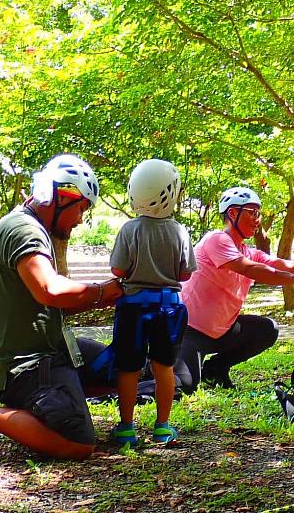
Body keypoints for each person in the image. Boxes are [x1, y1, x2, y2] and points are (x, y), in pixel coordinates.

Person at [0, 154, 124, 462]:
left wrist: (108, 295)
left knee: (123, 368)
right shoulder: (24, 230)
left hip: (50, 352)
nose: (80, 218)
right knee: (77, 443)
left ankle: (46, 406)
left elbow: (51, 304)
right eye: (80, 207)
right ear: (59, 198)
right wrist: (103, 291)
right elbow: (49, 289)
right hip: (23, 364)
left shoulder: (31, 226)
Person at [176, 187, 294, 392]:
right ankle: (151, 364)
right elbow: (249, 269)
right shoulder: (217, 239)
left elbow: (286, 265)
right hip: (189, 331)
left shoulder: (248, 251)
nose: (257, 220)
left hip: (222, 333)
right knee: (185, 387)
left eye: (258, 214)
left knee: (267, 329)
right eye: (253, 213)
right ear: (232, 213)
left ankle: (215, 369)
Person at [108, 159, 196, 446]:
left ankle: (126, 428)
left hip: (133, 307)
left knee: (129, 368)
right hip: (169, 307)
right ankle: (162, 427)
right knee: (164, 367)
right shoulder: (180, 231)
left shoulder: (129, 230)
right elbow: (184, 273)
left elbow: (118, 271)